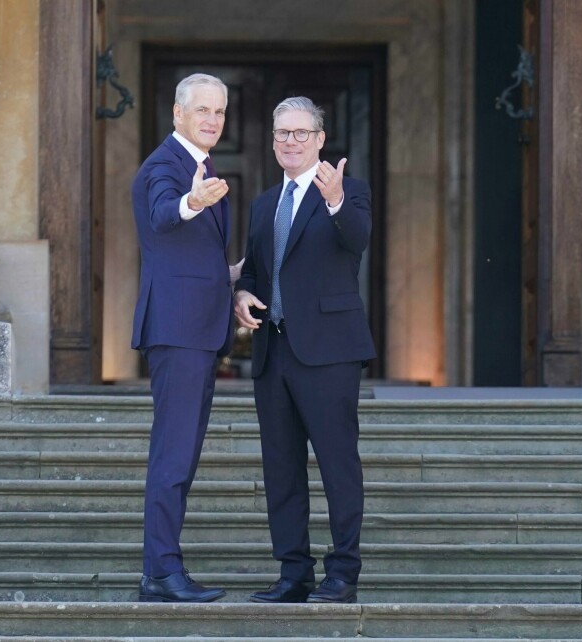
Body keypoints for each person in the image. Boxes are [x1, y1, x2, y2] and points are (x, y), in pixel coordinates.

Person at [233, 96, 376, 604]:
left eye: (300, 133)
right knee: (282, 469)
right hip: (273, 352)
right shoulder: (264, 202)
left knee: (338, 465)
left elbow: (356, 240)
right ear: (273, 142)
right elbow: (254, 269)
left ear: (320, 140)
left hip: (330, 352)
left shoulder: (349, 191)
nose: (290, 142)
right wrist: (243, 292)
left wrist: (335, 200)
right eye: (281, 134)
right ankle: (294, 572)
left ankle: (343, 574)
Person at [131, 73, 236, 603]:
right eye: (202, 110)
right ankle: (161, 573)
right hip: (176, 332)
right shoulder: (166, 168)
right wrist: (191, 203)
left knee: (183, 457)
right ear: (177, 113)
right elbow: (162, 213)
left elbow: (195, 257)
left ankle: (164, 567)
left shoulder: (201, 166)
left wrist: (234, 281)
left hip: (198, 331)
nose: (212, 120)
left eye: (219, 111)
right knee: (172, 457)